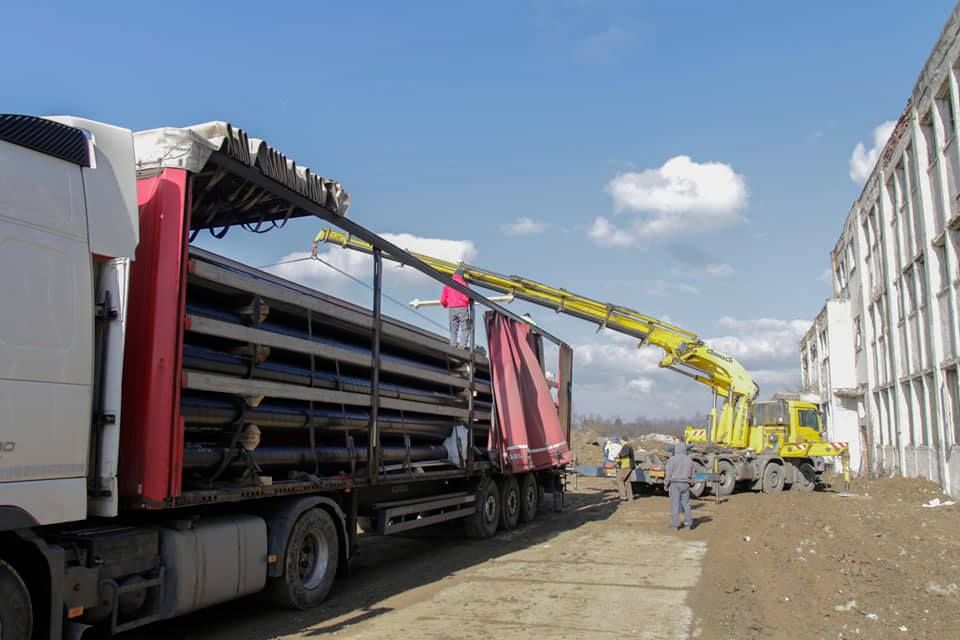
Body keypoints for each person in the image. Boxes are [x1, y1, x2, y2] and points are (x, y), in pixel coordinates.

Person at [664, 440, 695, 530]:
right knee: (686, 504)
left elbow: (668, 473)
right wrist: (692, 481)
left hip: (674, 484)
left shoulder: (672, 459)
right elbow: (693, 472)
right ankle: (688, 524)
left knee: (675, 504)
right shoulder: (689, 459)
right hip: (685, 484)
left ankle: (675, 525)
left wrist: (666, 484)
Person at [440, 267, 471, 348]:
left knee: (453, 329)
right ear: (462, 275)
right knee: (465, 328)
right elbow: (467, 296)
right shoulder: (464, 283)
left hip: (452, 309)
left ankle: (453, 345)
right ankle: (461, 347)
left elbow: (443, 299)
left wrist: (445, 304)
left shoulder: (448, 283)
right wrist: (466, 302)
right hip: (462, 308)